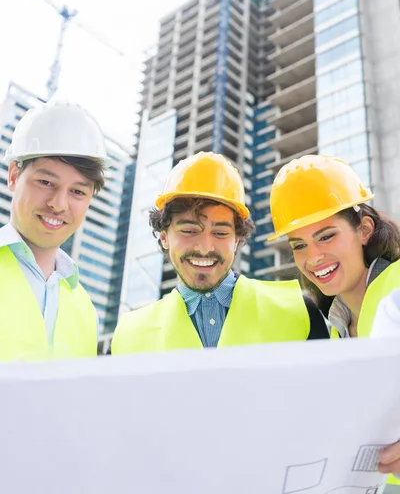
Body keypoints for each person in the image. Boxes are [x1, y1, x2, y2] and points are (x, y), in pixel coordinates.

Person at [112, 151, 328, 355]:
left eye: (220, 232)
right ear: (164, 238)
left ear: (237, 240)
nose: (205, 247)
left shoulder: (299, 312)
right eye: (189, 230)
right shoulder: (127, 337)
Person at [268, 153, 400, 486]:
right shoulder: (336, 327)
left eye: (326, 236)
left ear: (364, 229)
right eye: (299, 245)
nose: (313, 258)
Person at [0, 100, 110, 361]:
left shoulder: (85, 310)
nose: (58, 204)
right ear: (14, 176)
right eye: (46, 182)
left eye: (78, 192)